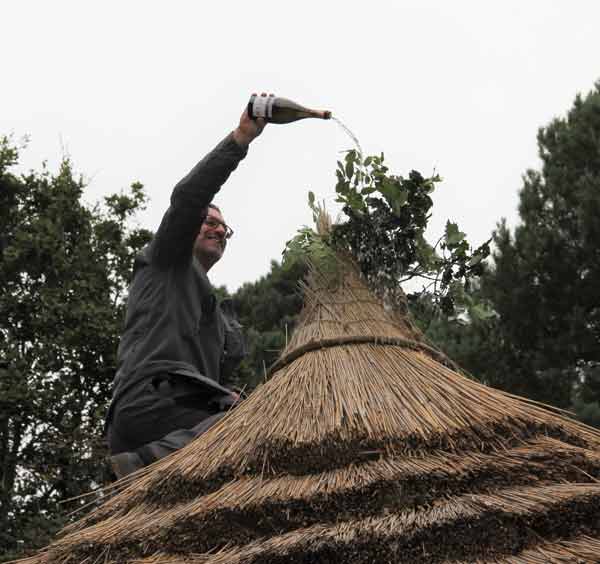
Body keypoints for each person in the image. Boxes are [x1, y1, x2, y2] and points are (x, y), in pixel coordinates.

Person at [106, 97, 267, 478]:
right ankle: (144, 464)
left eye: (224, 228)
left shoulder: (215, 314)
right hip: (151, 400)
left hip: (185, 415)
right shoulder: (166, 259)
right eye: (208, 221)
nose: (217, 229)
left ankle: (148, 466)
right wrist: (241, 139)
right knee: (247, 422)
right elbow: (189, 196)